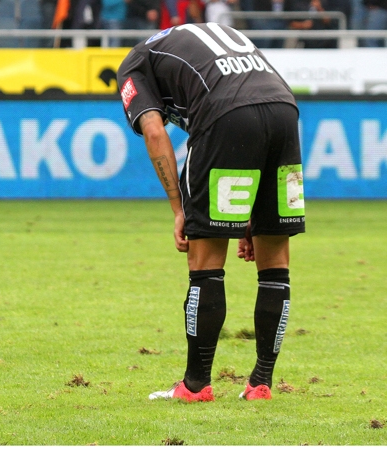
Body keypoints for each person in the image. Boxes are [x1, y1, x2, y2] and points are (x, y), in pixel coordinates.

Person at [117, 23, 305, 402]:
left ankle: (195, 385)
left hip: (225, 114)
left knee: (204, 259)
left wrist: (178, 208)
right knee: (275, 258)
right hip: (285, 109)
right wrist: (249, 216)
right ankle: (261, 383)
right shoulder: (210, 33)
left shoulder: (134, 64)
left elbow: (155, 132)